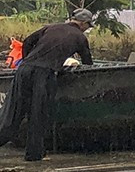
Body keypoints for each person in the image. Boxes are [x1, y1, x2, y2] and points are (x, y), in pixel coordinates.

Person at [0, 9, 95, 161]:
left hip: (24, 70)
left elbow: (27, 42)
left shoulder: (50, 27)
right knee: (38, 113)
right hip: (44, 74)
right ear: (83, 23)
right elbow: (88, 63)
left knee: (12, 112)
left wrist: (27, 60)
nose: (87, 29)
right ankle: (34, 154)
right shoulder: (80, 37)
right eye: (88, 26)